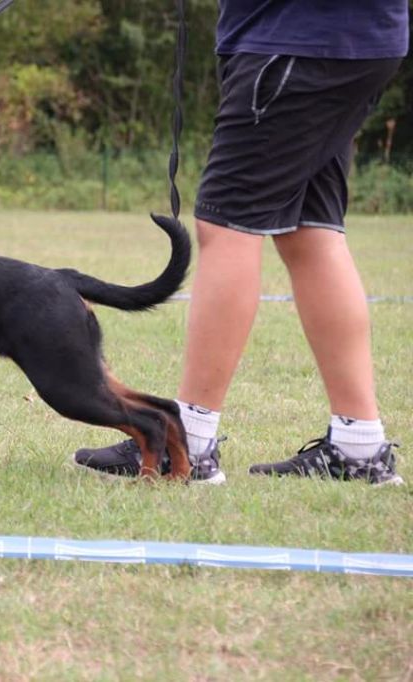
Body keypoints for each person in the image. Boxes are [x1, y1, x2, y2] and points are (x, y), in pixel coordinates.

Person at [75, 1, 408, 486]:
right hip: (353, 40)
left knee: (226, 225)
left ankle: (187, 443)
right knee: (310, 229)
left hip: (295, 40)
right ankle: (360, 448)